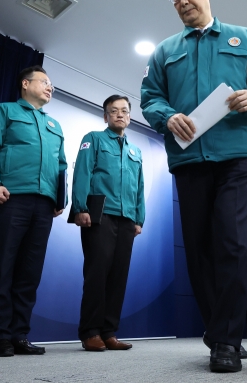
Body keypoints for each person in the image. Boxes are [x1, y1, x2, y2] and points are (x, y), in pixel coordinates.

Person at [140, 0, 247, 373]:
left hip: (236, 155)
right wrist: (167, 117)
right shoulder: (165, 50)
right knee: (200, 252)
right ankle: (221, 329)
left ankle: (224, 339)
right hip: (189, 160)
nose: (181, 1)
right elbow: (150, 98)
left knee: (234, 245)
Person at [0, 66, 67, 358]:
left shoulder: (54, 125)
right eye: (45, 82)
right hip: (11, 198)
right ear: (25, 84)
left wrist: (59, 199)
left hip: (43, 205)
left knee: (29, 273)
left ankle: (19, 334)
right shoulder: (4, 111)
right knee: (2, 267)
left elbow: (62, 166)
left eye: (52, 84)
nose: (50, 87)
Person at [71, 95, 145, 352]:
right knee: (97, 273)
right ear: (106, 116)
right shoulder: (93, 139)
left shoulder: (136, 151)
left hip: (127, 219)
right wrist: (80, 207)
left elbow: (139, 188)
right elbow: (82, 172)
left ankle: (108, 331)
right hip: (99, 215)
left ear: (129, 115)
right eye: (113, 111)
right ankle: (90, 331)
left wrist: (139, 218)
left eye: (124, 110)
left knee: (118, 276)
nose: (119, 115)